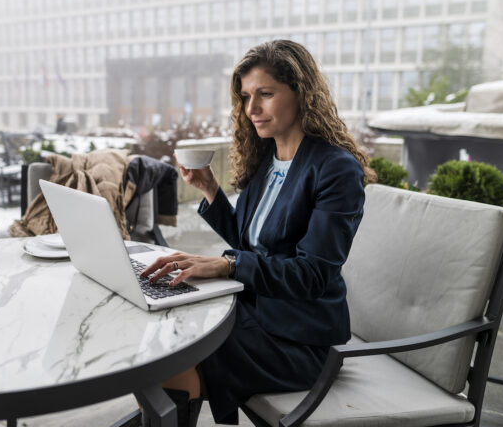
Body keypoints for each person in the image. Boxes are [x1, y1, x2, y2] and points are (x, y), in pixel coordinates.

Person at [139, 40, 377, 426]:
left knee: (169, 368)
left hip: (299, 339)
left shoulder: (336, 169)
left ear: (302, 93)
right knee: (162, 337)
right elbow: (250, 243)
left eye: (265, 94)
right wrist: (210, 190)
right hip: (254, 311)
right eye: (246, 96)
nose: (252, 109)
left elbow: (312, 275)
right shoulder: (267, 158)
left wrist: (227, 266)